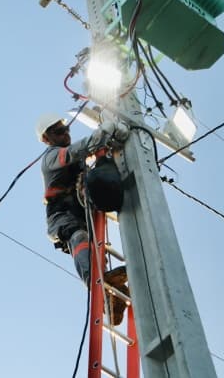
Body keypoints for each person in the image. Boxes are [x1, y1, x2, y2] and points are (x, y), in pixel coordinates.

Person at [36, 113, 129, 325]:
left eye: (66, 128)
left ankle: (113, 298)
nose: (66, 132)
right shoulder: (51, 157)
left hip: (83, 215)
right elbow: (75, 151)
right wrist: (102, 134)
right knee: (79, 238)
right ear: (46, 138)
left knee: (94, 248)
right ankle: (96, 284)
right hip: (61, 216)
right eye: (59, 131)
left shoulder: (80, 163)